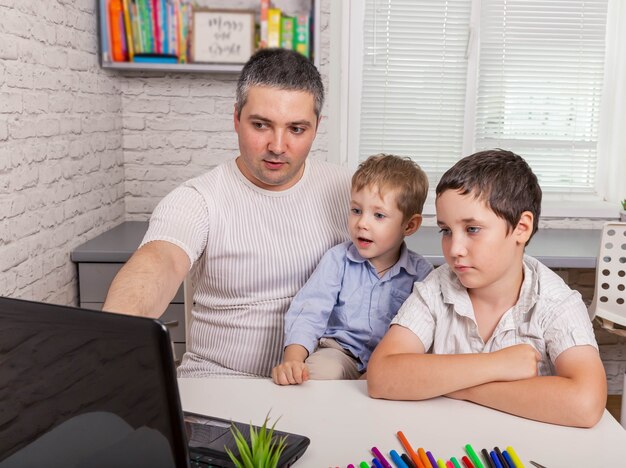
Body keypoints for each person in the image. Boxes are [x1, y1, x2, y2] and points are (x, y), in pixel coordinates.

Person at [102, 48, 352, 378]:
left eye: (296, 129)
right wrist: (111, 340)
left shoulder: (349, 190)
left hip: (313, 387)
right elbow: (159, 261)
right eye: (261, 125)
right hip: (218, 379)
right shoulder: (198, 198)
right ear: (236, 118)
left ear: (317, 127)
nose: (277, 146)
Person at [367, 149, 607, 428]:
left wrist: (459, 387)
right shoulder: (438, 287)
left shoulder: (555, 301)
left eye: (472, 229)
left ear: (521, 227)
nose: (454, 249)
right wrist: (498, 365)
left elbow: (585, 403)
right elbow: (382, 376)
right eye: (446, 231)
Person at [271, 154, 433, 385]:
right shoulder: (338, 260)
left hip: (391, 361)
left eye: (378, 215)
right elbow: (309, 311)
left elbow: (426, 330)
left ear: (409, 225)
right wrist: (293, 360)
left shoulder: (421, 274)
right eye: (356, 210)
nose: (362, 223)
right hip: (340, 353)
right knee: (318, 375)